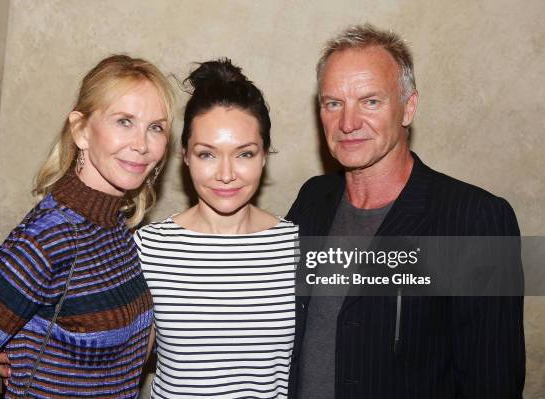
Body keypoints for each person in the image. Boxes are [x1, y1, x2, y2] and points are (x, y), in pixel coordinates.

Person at [286, 24, 525, 398]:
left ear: (408, 107)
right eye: (334, 103)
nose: (348, 123)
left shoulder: (474, 220)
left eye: (370, 101)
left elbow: (491, 381)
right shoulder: (312, 200)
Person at [0, 54, 173, 398]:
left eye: (156, 127)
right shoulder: (46, 240)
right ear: (81, 130)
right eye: (124, 121)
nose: (142, 144)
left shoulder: (115, 228)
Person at [134, 59, 298, 398]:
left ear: (264, 155)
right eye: (208, 155)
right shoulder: (148, 248)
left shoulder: (298, 247)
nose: (226, 174)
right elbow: (117, 362)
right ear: (185, 156)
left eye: (244, 154)